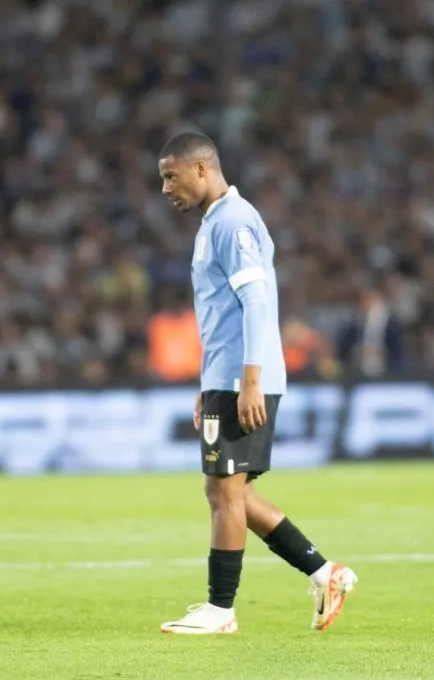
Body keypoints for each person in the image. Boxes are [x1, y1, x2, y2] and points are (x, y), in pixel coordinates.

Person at [156, 131, 357, 635]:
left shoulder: (233, 222)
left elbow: (257, 302)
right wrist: (210, 383)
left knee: (224, 493)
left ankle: (220, 610)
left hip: (244, 377)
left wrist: (248, 380)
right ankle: (324, 572)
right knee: (230, 493)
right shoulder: (212, 223)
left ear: (201, 169)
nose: (165, 188)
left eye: (170, 175)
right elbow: (220, 317)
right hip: (227, 375)